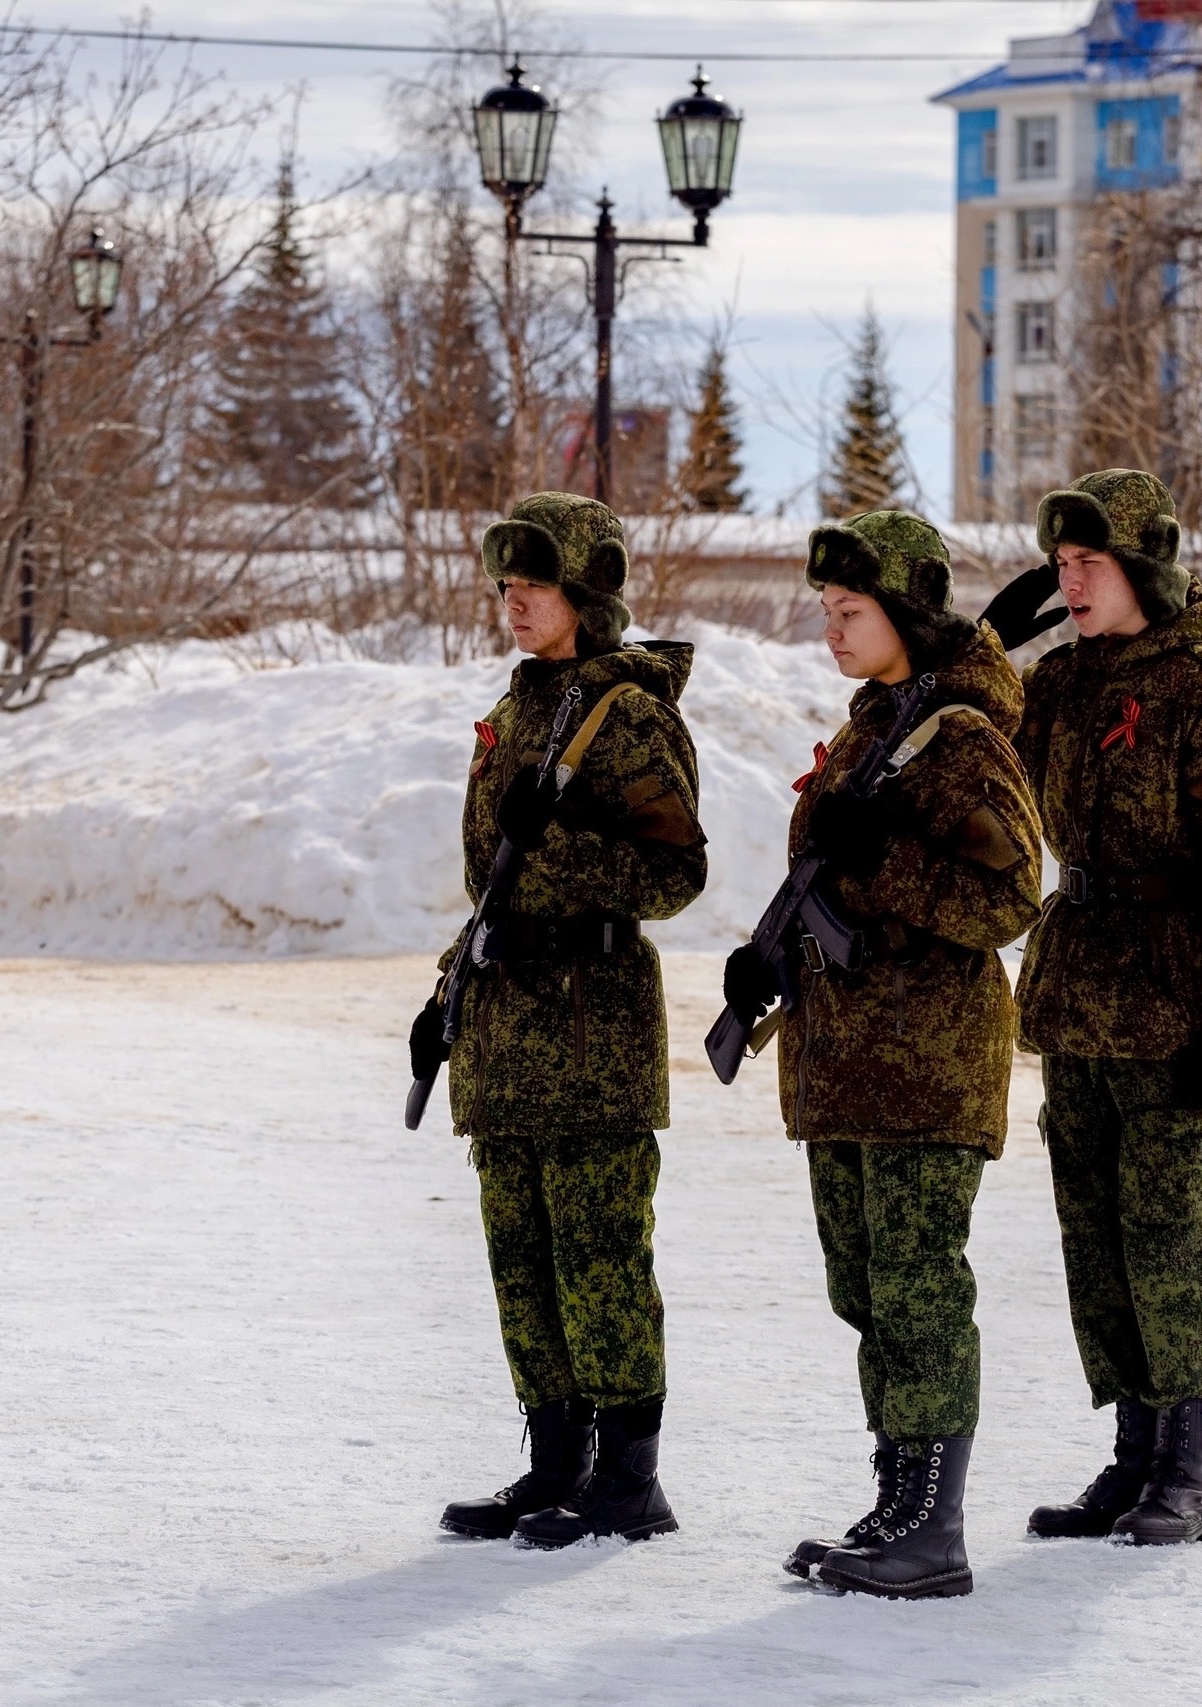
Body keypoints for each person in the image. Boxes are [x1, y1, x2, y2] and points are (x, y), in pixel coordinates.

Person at [722, 512, 1044, 1600]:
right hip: (846, 1061)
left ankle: (931, 1530)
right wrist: (763, 961)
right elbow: (829, 878)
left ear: (904, 614)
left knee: (916, 1290)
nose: (831, 627)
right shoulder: (875, 727)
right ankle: (896, 1497)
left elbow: (1009, 899)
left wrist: (891, 867)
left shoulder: (961, 740)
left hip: (925, 1065)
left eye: (848, 610)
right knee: (863, 1288)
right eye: (825, 609)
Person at [978, 469, 1202, 1546]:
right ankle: (1128, 1459)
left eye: (1089, 565)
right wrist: (985, 646)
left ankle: (1184, 1473)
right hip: (1077, 997)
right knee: (1095, 1237)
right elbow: (972, 771)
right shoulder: (1061, 685)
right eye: (1058, 565)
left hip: (1170, 1000)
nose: (1068, 583)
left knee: (1168, 1238)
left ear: (1143, 572)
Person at [421, 491, 708, 1549]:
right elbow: (488, 878)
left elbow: (679, 871)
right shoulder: (519, 704)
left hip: (591, 1028)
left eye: (533, 583)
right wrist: (451, 988)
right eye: (505, 582)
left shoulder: (624, 714)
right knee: (522, 1258)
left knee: (598, 1256)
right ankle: (554, 1464)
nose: (513, 601)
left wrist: (559, 853)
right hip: (508, 1027)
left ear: (585, 594)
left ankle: (629, 1479)